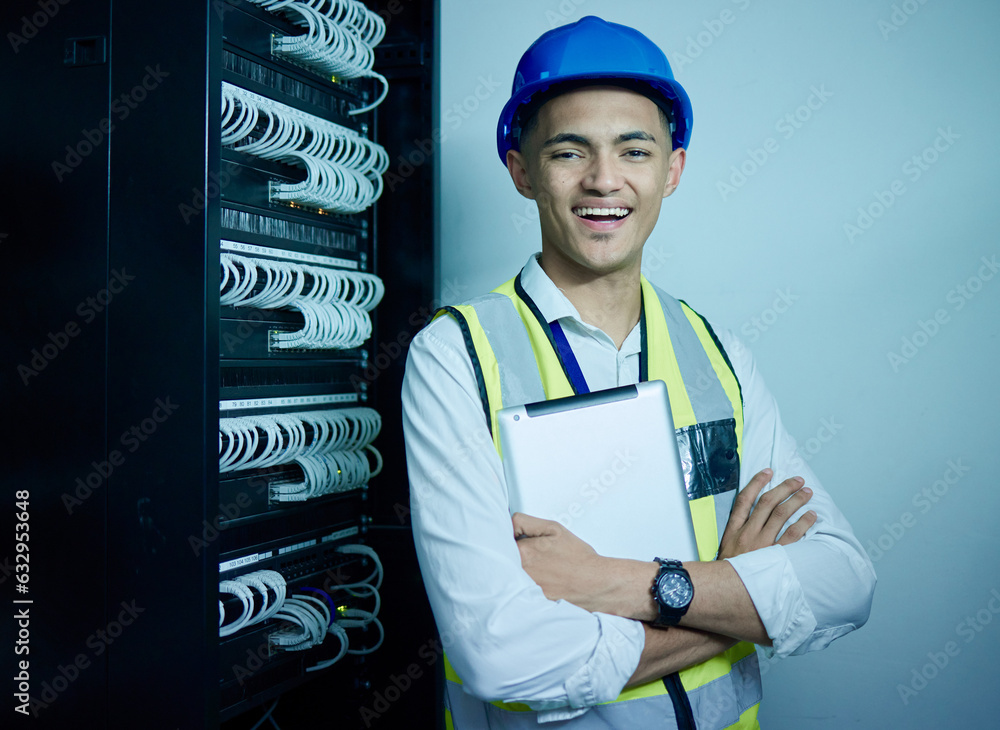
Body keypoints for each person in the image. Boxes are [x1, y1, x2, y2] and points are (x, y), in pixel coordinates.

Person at [401, 16, 876, 729]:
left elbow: (845, 584)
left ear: (672, 170)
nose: (604, 180)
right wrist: (737, 598)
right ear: (522, 169)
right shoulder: (454, 358)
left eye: (634, 149)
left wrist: (614, 585)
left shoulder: (716, 352)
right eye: (569, 151)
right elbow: (499, 655)